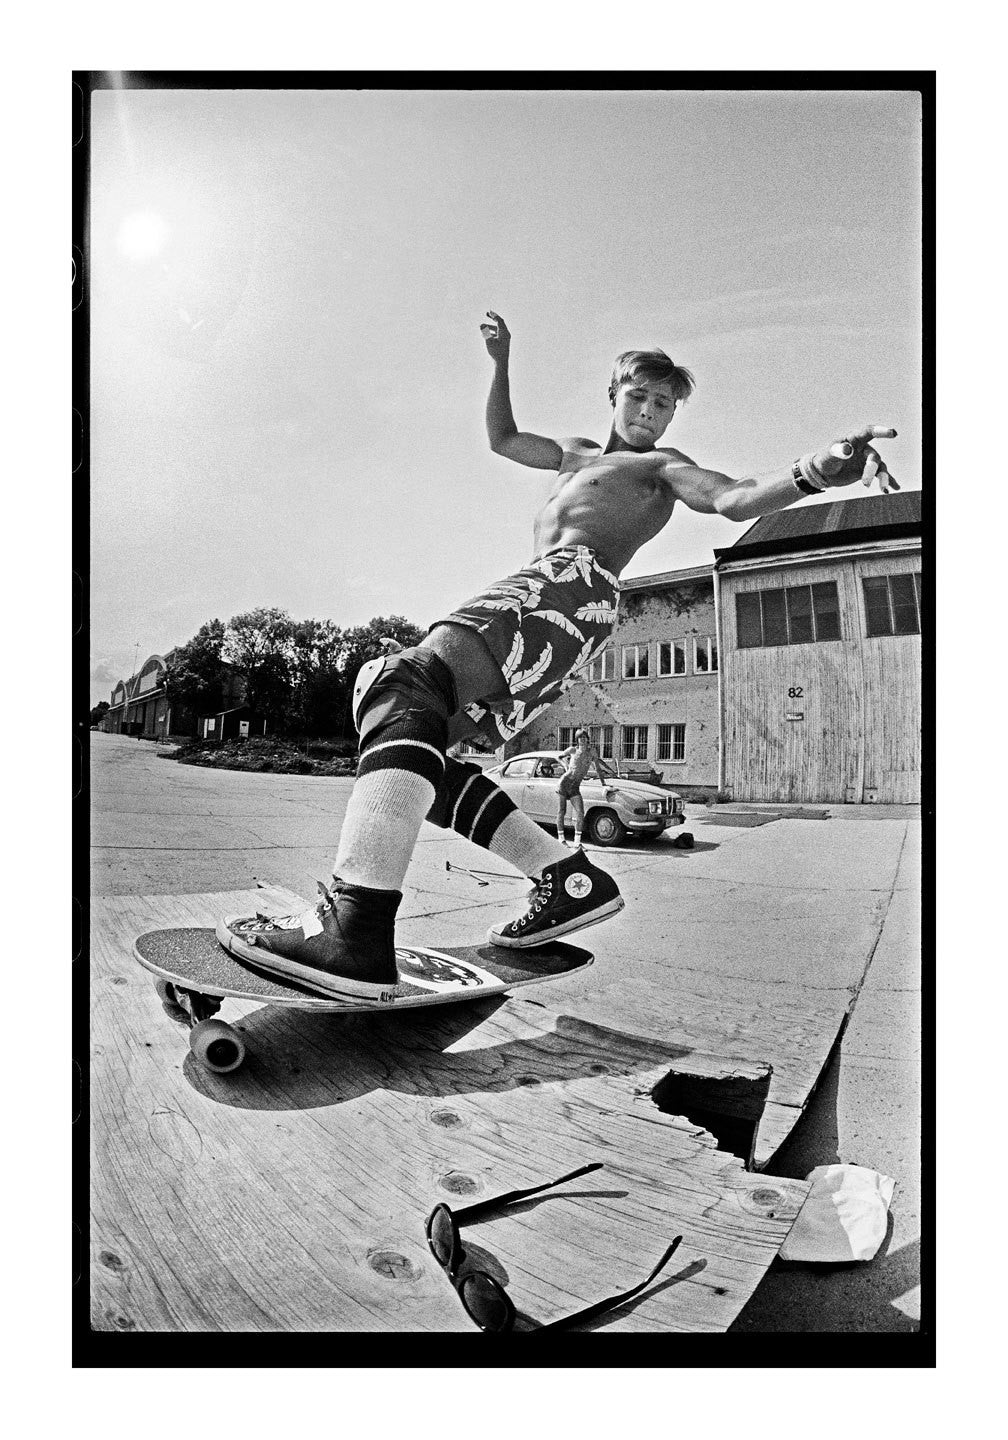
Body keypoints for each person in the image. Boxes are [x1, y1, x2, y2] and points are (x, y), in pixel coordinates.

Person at [218, 310, 897, 999]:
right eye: (640, 397)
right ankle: (565, 878)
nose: (651, 413)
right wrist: (501, 361)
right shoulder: (575, 454)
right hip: (560, 601)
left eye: (664, 405)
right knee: (427, 758)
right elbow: (504, 439)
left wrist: (816, 470)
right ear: (614, 395)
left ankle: (353, 930)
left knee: (403, 682)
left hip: (573, 585)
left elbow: (732, 499)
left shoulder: (661, 467)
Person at [555, 729, 615, 848]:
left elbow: (598, 769)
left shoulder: (592, 752)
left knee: (580, 812)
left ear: (587, 739)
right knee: (562, 811)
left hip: (575, 787)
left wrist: (604, 784)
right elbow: (559, 757)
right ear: (577, 740)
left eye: (584, 737)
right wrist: (567, 767)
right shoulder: (573, 750)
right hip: (564, 783)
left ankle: (577, 842)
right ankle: (561, 839)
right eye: (579, 738)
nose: (582, 740)